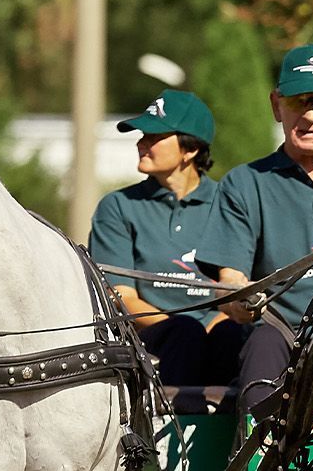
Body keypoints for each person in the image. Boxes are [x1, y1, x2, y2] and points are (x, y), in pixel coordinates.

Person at [196, 45, 313, 418]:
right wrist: (239, 298)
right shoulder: (244, 184)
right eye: (299, 101)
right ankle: (261, 469)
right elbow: (228, 281)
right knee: (262, 352)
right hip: (280, 330)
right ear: (276, 105)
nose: (311, 115)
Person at [89, 89, 246, 387]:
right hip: (152, 339)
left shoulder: (231, 203)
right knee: (185, 335)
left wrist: (213, 325)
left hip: (220, 330)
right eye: (142, 135)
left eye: (154, 137)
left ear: (190, 150)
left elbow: (242, 283)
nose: (141, 143)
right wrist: (181, 328)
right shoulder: (118, 207)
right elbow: (121, 297)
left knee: (235, 337)